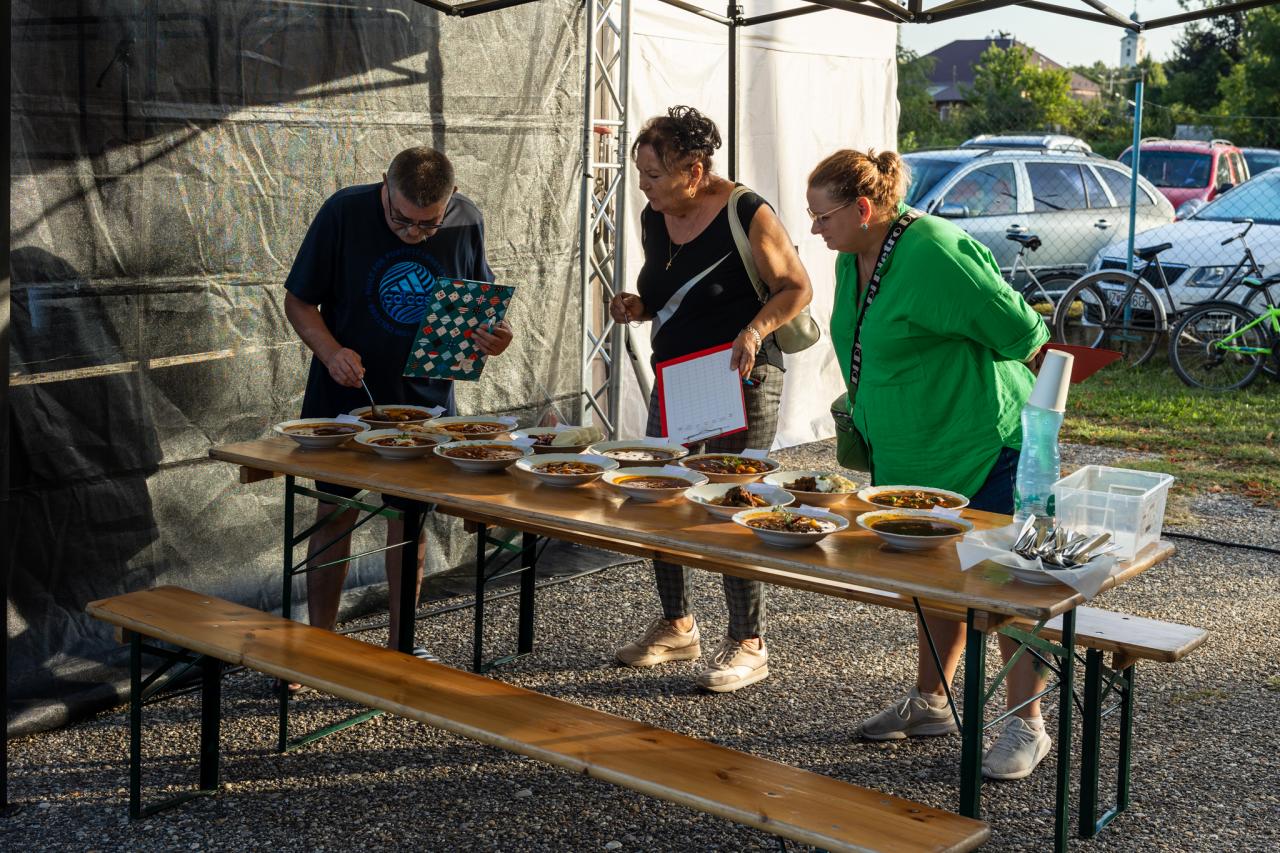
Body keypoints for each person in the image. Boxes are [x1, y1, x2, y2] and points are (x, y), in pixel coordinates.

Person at [806, 148, 1054, 780]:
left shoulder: (938, 250)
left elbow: (1024, 334)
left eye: (823, 216)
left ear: (864, 208)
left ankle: (1027, 723)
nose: (814, 228)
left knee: (1012, 584)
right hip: (915, 455)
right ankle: (932, 702)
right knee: (933, 579)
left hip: (984, 446)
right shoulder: (852, 252)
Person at [608, 106, 813, 692]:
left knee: (733, 503)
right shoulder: (655, 215)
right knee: (657, 493)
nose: (643, 187)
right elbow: (667, 291)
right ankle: (677, 625)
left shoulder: (747, 212)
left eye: (653, 175)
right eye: (640, 174)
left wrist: (753, 330)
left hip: (741, 376)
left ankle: (749, 642)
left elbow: (797, 288)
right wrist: (638, 307)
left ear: (694, 171)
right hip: (678, 377)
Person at [284, 146, 513, 661]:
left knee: (408, 521)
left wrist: (495, 337)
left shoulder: (467, 220)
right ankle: (319, 646)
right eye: (401, 219)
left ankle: (400, 647)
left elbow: (479, 307)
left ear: (452, 199)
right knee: (334, 515)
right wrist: (330, 351)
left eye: (428, 224)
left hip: (424, 401)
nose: (413, 233)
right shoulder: (343, 211)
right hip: (345, 397)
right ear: (384, 186)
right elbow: (298, 300)